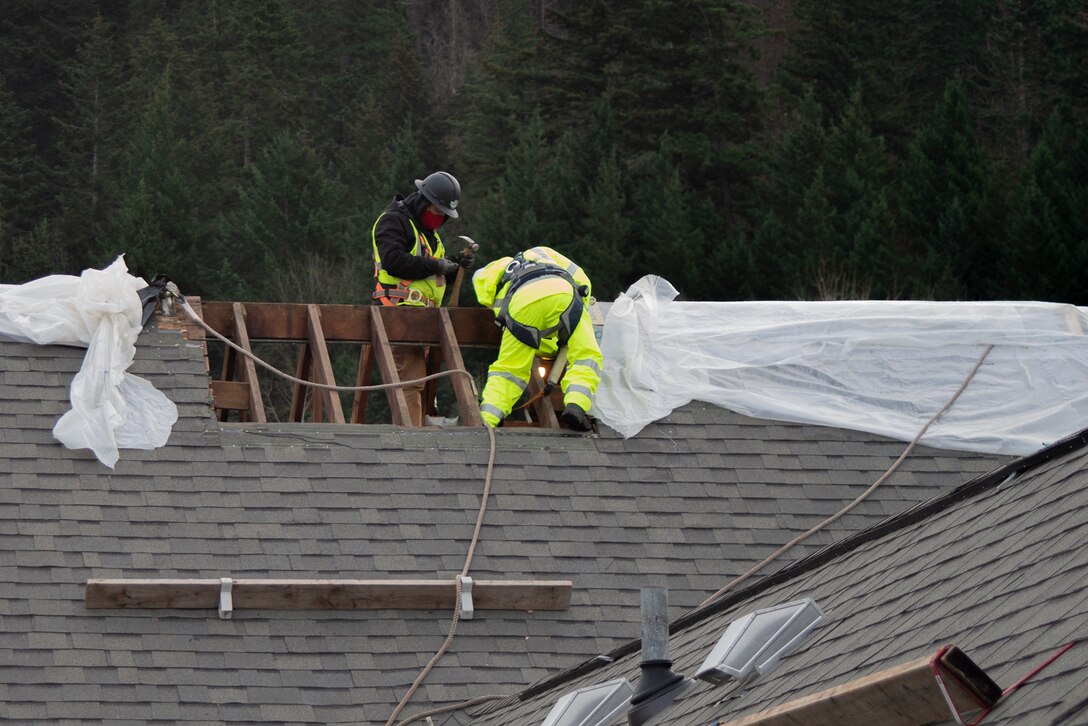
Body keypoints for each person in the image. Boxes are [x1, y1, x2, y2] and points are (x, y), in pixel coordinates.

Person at [371, 171, 474, 426]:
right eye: (436, 211)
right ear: (421, 200)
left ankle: (419, 438)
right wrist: (435, 265)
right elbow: (394, 262)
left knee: (423, 386)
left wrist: (454, 266)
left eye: (443, 215)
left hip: (423, 320)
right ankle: (412, 443)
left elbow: (429, 278)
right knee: (411, 382)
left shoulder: (428, 233)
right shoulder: (393, 221)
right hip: (399, 314)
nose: (439, 218)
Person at [472, 246, 603, 431]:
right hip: (563, 293)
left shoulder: (493, 284)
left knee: (509, 369)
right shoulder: (541, 252)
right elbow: (583, 282)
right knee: (586, 355)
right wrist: (570, 329)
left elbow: (530, 333)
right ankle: (576, 405)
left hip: (521, 305)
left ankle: (487, 419)